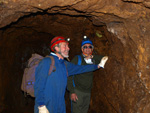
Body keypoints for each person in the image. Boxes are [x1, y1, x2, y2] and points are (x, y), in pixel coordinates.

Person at [34, 36, 108, 113]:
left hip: (60, 105)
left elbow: (81, 68)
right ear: (56, 48)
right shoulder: (47, 62)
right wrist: (41, 105)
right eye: (64, 46)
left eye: (68, 46)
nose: (68, 48)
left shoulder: (65, 64)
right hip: (47, 105)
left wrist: (98, 66)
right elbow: (39, 85)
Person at [67, 36, 108, 113]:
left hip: (87, 92)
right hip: (77, 91)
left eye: (89, 47)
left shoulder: (94, 59)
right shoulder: (77, 59)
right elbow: (69, 74)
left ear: (92, 49)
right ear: (82, 49)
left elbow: (105, 58)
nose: (87, 48)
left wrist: (92, 56)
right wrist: (72, 91)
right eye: (85, 47)